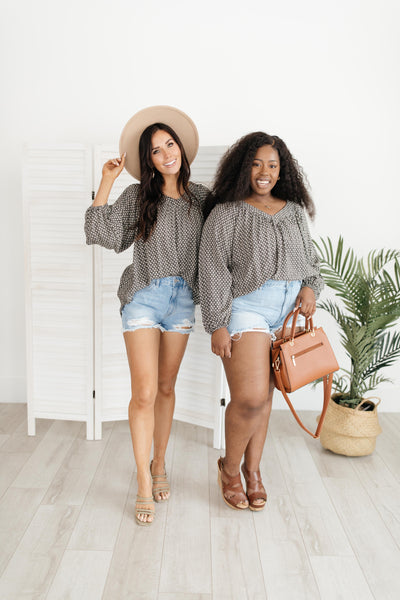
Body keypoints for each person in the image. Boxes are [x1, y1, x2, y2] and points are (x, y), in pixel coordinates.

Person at [85, 106, 208, 525]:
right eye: (156, 150)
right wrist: (106, 180)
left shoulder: (203, 199)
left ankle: (160, 464)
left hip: (183, 302)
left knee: (167, 387)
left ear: (180, 149)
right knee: (144, 393)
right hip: (143, 296)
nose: (166, 154)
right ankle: (142, 482)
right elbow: (103, 233)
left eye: (170, 144)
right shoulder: (139, 196)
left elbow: (225, 247)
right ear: (149, 160)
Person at [199, 132, 324, 511]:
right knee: (250, 398)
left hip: (287, 312)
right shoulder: (227, 213)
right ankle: (230, 469)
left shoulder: (294, 212)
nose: (264, 172)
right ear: (243, 168)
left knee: (266, 400)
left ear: (282, 170)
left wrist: (310, 288)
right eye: (256, 164)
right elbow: (212, 269)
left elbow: (311, 260)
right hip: (247, 308)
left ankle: (254, 473)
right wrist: (217, 323)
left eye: (272, 164)